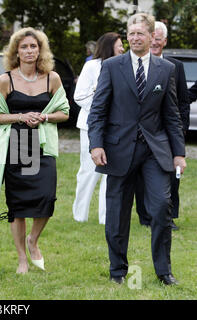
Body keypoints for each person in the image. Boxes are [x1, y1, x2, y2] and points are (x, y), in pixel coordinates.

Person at [88, 13, 186, 285]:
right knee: (117, 214)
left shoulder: (165, 69)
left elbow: (171, 115)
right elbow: (98, 110)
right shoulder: (111, 66)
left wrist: (179, 153)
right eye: (130, 34)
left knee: (161, 206)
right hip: (119, 151)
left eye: (139, 33)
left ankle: (164, 271)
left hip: (155, 151)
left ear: (152, 36)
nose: (134, 38)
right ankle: (117, 271)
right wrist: (96, 144)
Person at [0, 27, 70, 274]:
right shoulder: (5, 80)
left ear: (40, 50)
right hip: (16, 146)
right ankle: (22, 258)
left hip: (43, 145)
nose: (29, 51)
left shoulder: (52, 78)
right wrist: (21, 116)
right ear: (16, 51)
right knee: (18, 205)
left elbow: (64, 112)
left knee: (46, 198)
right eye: (24, 47)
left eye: (33, 46)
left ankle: (33, 240)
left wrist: (43, 116)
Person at [135, 21, 190, 230]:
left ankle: (169, 216)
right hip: (143, 131)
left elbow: (183, 101)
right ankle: (145, 215)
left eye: (159, 39)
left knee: (171, 174)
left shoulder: (176, 66)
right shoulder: (137, 64)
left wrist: (181, 129)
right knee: (142, 174)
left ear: (164, 41)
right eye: (153, 38)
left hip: (168, 131)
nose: (155, 43)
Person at [72, 32, 124, 225]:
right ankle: (80, 215)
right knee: (88, 170)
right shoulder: (91, 66)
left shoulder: (122, 67)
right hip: (90, 127)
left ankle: (105, 217)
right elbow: (80, 96)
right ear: (109, 46)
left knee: (110, 172)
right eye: (119, 45)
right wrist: (100, 110)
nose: (122, 49)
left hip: (116, 128)